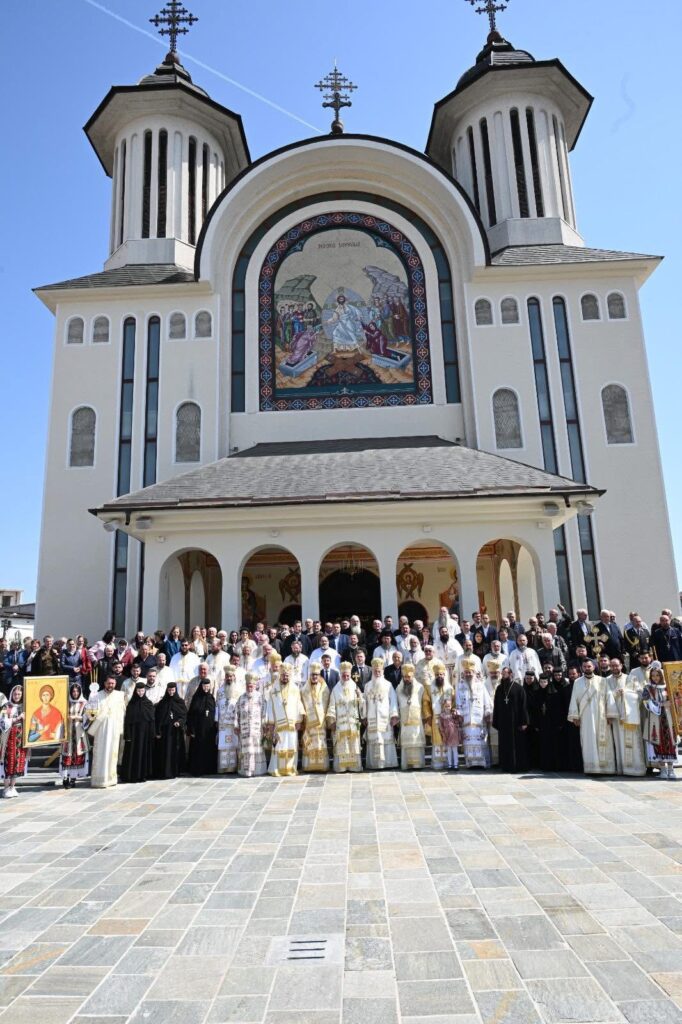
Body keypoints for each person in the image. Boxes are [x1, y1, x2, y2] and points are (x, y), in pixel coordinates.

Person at [567, 658, 617, 774]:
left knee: (603, 740)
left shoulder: (602, 681)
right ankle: (591, 768)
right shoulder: (577, 682)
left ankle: (606, 768)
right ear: (582, 668)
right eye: (585, 667)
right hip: (586, 718)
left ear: (594, 667)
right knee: (588, 741)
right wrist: (575, 716)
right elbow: (574, 699)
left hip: (601, 716)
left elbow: (609, 697)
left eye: (589, 666)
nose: (587, 668)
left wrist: (610, 715)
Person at [85, 675, 126, 788]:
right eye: (108, 683)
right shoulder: (96, 696)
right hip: (101, 730)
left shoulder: (120, 695)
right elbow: (89, 712)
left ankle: (111, 779)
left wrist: (121, 729)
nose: (110, 685)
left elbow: (122, 712)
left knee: (112, 754)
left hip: (113, 730)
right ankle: (99, 780)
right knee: (100, 753)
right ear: (104, 683)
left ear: (115, 684)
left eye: (112, 683)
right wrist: (91, 714)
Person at [609, 656, 646, 777]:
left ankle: (636, 769)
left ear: (621, 665)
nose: (614, 667)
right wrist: (615, 693)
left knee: (634, 742)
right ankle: (623, 769)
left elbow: (640, 694)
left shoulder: (631, 678)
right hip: (616, 717)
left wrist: (626, 693)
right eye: (612, 666)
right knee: (619, 742)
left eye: (616, 665)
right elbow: (604, 697)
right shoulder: (606, 680)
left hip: (631, 716)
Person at [265, 666, 305, 777]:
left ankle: (290, 769)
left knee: (291, 746)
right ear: (280, 675)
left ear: (290, 676)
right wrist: (271, 723)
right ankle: (277, 769)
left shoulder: (295, 689)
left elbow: (298, 704)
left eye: (287, 675)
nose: (285, 677)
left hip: (292, 724)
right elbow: (270, 706)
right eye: (283, 675)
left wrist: (299, 720)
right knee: (279, 747)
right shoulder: (273, 690)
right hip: (279, 725)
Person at [326, 662, 365, 773]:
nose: (346, 677)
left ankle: (354, 767)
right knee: (341, 744)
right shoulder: (336, 689)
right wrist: (332, 720)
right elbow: (332, 705)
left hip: (353, 722)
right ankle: (341, 767)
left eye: (347, 675)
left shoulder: (355, 687)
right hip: (341, 722)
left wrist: (359, 696)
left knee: (353, 744)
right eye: (344, 675)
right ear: (340, 675)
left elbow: (361, 704)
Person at [642, 663, 678, 780]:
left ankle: (671, 770)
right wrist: (661, 704)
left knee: (671, 743)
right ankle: (662, 769)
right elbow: (645, 702)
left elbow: (676, 699)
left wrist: (672, 703)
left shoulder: (668, 687)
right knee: (657, 742)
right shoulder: (648, 688)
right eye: (653, 676)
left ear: (662, 675)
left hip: (669, 719)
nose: (655, 678)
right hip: (654, 719)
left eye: (657, 675)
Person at [455, 659, 493, 768]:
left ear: (474, 672)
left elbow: (486, 700)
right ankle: (470, 763)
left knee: (480, 741)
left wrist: (488, 712)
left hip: (479, 718)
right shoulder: (460, 686)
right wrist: (459, 713)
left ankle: (482, 763)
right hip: (466, 718)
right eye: (466, 672)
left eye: (470, 672)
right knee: (468, 741)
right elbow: (458, 702)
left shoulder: (480, 685)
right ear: (463, 673)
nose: (468, 674)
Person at [492, 667, 529, 772]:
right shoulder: (499, 688)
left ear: (511, 674)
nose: (503, 675)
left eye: (505, 673)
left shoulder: (519, 688)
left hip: (515, 722)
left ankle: (516, 766)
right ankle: (505, 766)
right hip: (503, 722)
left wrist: (524, 722)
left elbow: (523, 706)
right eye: (502, 673)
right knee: (505, 744)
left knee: (516, 744)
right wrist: (496, 720)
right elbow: (496, 706)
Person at [364, 658, 399, 770]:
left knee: (386, 739)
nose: (377, 673)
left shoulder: (388, 685)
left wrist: (394, 715)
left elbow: (393, 701)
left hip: (385, 718)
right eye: (375, 671)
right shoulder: (367, 686)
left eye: (379, 671)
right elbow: (364, 702)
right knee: (374, 739)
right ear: (372, 671)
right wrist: (364, 716)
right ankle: (374, 764)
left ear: (382, 671)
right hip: (372, 717)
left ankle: (388, 763)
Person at [121, 681, 155, 783]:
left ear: (145, 691)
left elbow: (152, 720)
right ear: (135, 691)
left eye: (142, 691)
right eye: (139, 691)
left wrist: (152, 733)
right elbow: (127, 721)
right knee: (132, 754)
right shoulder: (131, 704)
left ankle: (143, 775)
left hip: (145, 735)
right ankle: (131, 775)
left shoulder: (148, 704)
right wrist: (127, 734)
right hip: (133, 734)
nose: (140, 693)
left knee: (143, 753)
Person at [235, 673, 267, 777]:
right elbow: (236, 712)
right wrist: (236, 725)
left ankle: (257, 771)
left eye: (251, 686)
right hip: (244, 729)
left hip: (257, 728)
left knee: (257, 749)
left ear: (255, 685)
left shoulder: (260, 697)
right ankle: (246, 771)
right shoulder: (241, 698)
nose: (250, 688)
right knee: (246, 750)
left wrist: (264, 724)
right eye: (248, 686)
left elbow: (264, 712)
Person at [395, 663, 427, 770]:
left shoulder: (420, 687)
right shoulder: (399, 688)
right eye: (405, 677)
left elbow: (424, 703)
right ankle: (407, 764)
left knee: (416, 741)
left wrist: (425, 716)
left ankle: (418, 764)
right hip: (404, 718)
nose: (407, 679)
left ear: (413, 676)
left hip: (417, 719)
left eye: (409, 677)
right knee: (406, 742)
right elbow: (396, 704)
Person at [299, 663, 330, 773]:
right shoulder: (304, 690)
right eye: (313, 675)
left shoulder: (324, 688)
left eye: (316, 675)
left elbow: (327, 703)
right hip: (309, 722)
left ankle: (322, 766)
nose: (314, 677)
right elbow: (301, 705)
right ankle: (309, 766)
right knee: (310, 742)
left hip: (321, 721)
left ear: (319, 675)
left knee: (321, 742)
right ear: (310, 675)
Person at [423, 662, 454, 770]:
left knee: (447, 739)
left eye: (441, 674)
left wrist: (453, 712)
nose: (439, 676)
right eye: (437, 675)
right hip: (435, 718)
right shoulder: (429, 688)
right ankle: (437, 762)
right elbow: (425, 702)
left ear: (444, 675)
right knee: (437, 739)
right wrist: (428, 716)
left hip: (448, 719)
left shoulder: (449, 688)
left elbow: (454, 702)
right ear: (434, 675)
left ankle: (448, 761)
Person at [154, 681, 187, 779]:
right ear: (167, 690)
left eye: (173, 690)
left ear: (175, 690)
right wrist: (158, 731)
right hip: (165, 732)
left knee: (176, 751)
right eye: (169, 690)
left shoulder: (180, 702)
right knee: (165, 751)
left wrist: (179, 722)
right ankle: (166, 772)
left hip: (176, 732)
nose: (171, 692)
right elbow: (158, 717)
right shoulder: (162, 702)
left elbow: (184, 715)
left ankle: (176, 771)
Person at [59, 682, 90, 788]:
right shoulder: (66, 702)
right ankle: (65, 777)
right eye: (73, 691)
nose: (75, 693)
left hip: (78, 732)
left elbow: (88, 717)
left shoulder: (84, 703)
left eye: (77, 691)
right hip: (67, 732)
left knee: (77, 755)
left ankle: (73, 778)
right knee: (67, 754)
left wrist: (76, 717)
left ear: (80, 692)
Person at [0, 684, 28, 797]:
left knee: (18, 762)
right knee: (9, 761)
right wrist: (17, 718)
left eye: (19, 694)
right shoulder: (6, 706)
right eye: (15, 694)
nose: (17, 696)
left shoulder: (24, 706)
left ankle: (13, 786)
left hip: (20, 738)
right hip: (9, 738)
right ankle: (6, 788)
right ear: (12, 694)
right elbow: (3, 722)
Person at [215, 668, 243, 775]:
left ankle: (233, 767)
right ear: (225, 677)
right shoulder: (219, 691)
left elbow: (240, 706)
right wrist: (216, 720)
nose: (229, 678)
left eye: (231, 676)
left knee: (233, 744)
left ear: (234, 677)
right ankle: (223, 768)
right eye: (227, 676)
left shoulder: (239, 690)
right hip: (222, 724)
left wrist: (239, 721)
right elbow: (217, 706)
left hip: (233, 723)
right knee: (223, 744)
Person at [438, 695, 460, 770]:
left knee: (455, 750)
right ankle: (450, 764)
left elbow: (459, 720)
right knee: (449, 750)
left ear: (451, 706)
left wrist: (456, 714)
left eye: (449, 706)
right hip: (447, 734)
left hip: (454, 734)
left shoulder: (453, 714)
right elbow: (440, 725)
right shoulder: (442, 715)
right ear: (443, 706)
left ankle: (456, 764)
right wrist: (443, 734)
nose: (447, 708)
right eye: (446, 706)